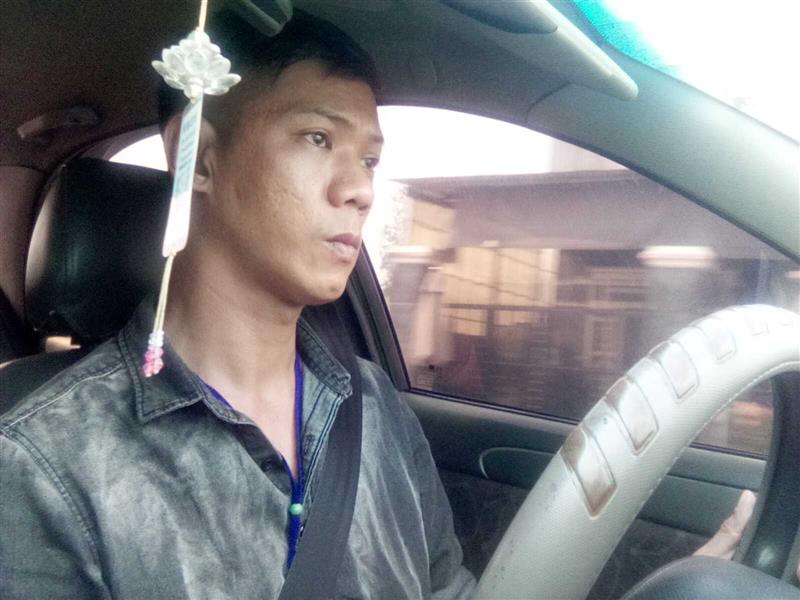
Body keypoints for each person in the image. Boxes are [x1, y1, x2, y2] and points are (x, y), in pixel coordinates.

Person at [0, 11, 475, 599]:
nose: (360, 190)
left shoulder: (373, 405)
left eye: (369, 160)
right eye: (318, 138)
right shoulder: (46, 464)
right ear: (199, 156)